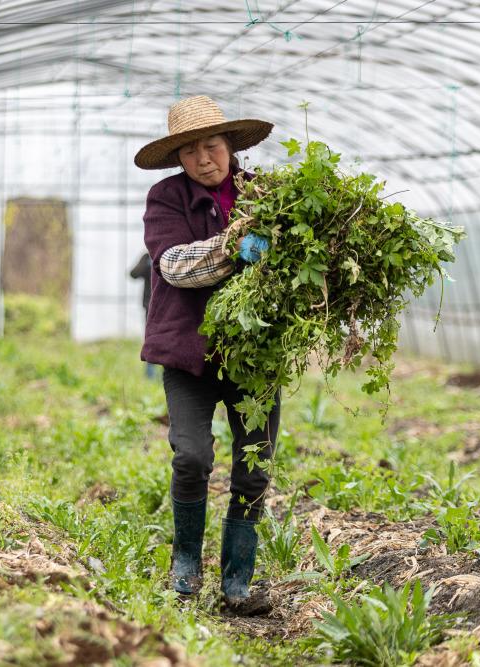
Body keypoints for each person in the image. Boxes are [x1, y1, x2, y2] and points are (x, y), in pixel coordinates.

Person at [133, 95, 279, 614]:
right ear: (178, 158)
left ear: (230, 146)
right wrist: (232, 246)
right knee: (192, 455)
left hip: (255, 358)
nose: (203, 159)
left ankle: (238, 581)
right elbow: (173, 265)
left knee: (254, 467)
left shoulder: (265, 195)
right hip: (188, 352)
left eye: (211, 145)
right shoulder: (165, 198)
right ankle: (186, 560)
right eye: (190, 151)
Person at [128, 252, 157, 379]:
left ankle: (166, 375)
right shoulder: (147, 257)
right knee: (150, 340)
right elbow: (133, 274)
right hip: (149, 307)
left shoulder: (168, 254)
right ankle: (150, 375)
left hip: (166, 307)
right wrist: (147, 264)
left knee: (166, 340)